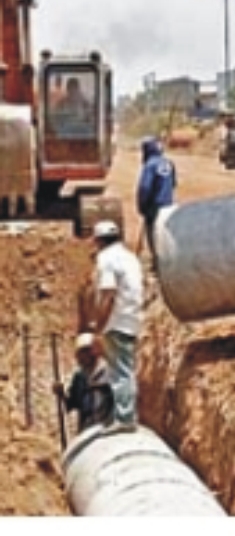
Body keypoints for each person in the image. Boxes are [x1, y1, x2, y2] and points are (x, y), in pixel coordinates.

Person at [92, 219, 144, 434]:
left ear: (98, 241)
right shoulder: (130, 257)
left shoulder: (106, 258)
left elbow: (108, 292)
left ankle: (124, 418)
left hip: (117, 320)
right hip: (132, 318)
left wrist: (99, 323)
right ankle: (126, 414)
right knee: (125, 368)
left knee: (120, 371)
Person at [53, 332, 113, 433]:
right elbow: (72, 403)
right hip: (86, 430)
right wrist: (61, 393)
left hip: (106, 429)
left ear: (92, 352)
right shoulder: (79, 377)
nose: (79, 358)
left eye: (82, 353)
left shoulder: (109, 373)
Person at [136, 137, 177, 271]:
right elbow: (174, 184)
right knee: (164, 233)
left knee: (153, 234)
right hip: (169, 205)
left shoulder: (150, 165)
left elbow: (145, 188)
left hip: (154, 206)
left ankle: (158, 263)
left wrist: (142, 205)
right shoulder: (169, 163)